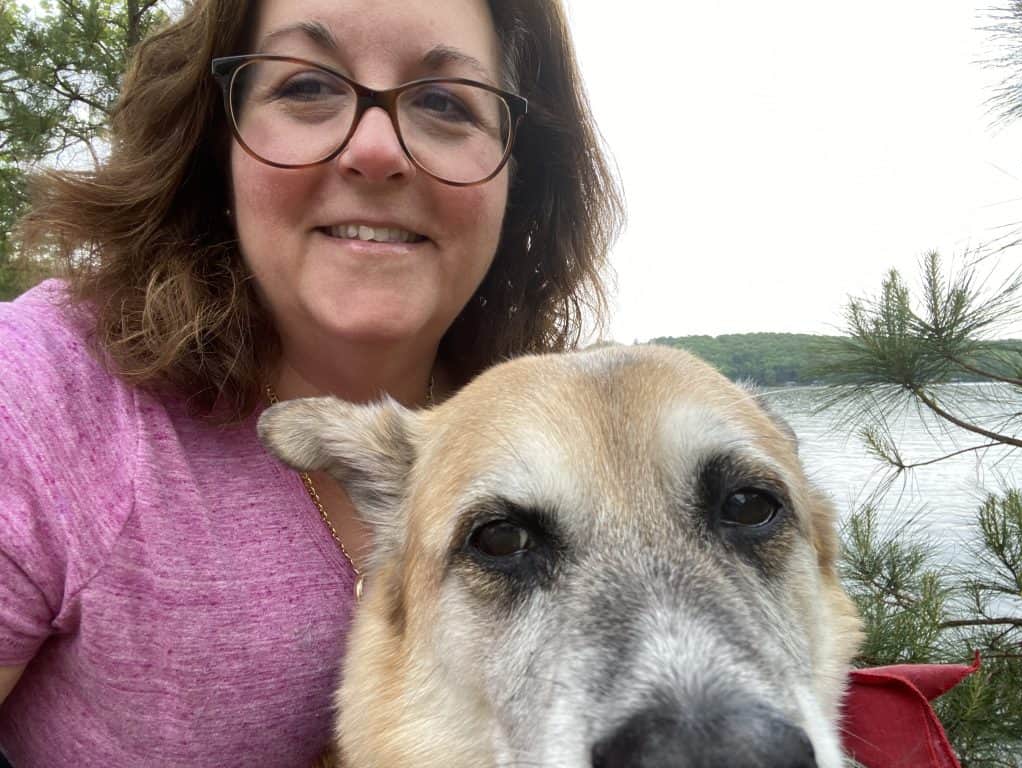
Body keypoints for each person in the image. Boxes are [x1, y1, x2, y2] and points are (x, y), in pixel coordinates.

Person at [0, 0, 623, 764]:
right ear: (214, 140)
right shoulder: (42, 395)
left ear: (518, 176)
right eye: (304, 87)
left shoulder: (567, 429)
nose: (375, 151)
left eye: (443, 102)